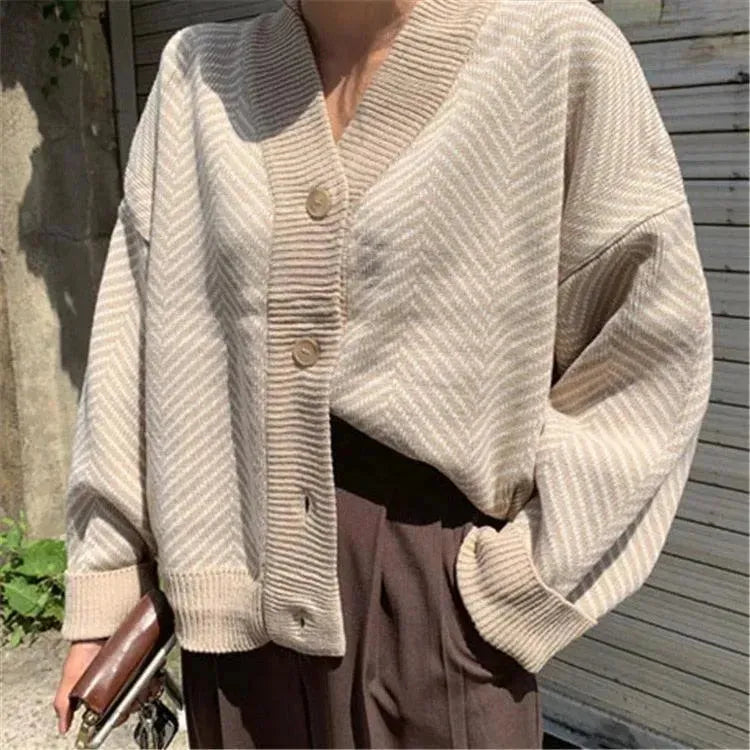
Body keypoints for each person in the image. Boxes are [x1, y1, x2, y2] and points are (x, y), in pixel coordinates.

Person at [53, 0, 714, 747]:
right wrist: (107, 586)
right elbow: (131, 348)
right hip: (231, 615)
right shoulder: (194, 76)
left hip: (437, 606)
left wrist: (518, 587)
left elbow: (652, 350)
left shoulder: (554, 51)